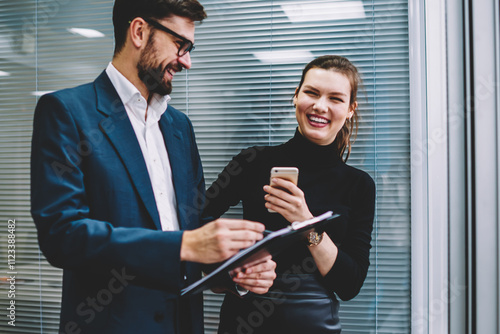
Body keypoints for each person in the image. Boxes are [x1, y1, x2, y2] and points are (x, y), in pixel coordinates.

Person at [30, 1, 276, 333]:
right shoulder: (66, 112)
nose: (187, 61)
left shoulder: (179, 127)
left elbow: (194, 223)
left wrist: (233, 269)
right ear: (140, 31)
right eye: (180, 45)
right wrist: (184, 245)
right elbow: (63, 235)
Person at [203, 55, 376, 334]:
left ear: (350, 110)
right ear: (296, 96)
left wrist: (304, 221)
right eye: (311, 92)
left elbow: (349, 284)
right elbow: (193, 223)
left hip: (313, 322)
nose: (320, 106)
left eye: (335, 98)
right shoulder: (252, 162)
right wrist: (229, 274)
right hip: (244, 319)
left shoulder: (358, 185)